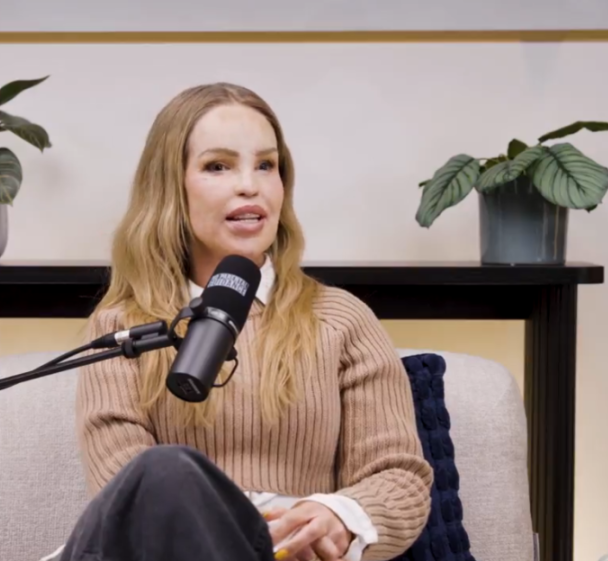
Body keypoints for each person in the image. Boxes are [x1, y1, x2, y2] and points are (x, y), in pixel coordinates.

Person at [57, 82, 434, 561]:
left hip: (283, 551)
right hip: (160, 546)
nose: (250, 185)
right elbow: (123, 488)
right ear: (171, 185)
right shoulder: (125, 330)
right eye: (218, 166)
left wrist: (341, 515)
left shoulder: (341, 320)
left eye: (266, 165)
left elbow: (399, 476)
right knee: (164, 472)